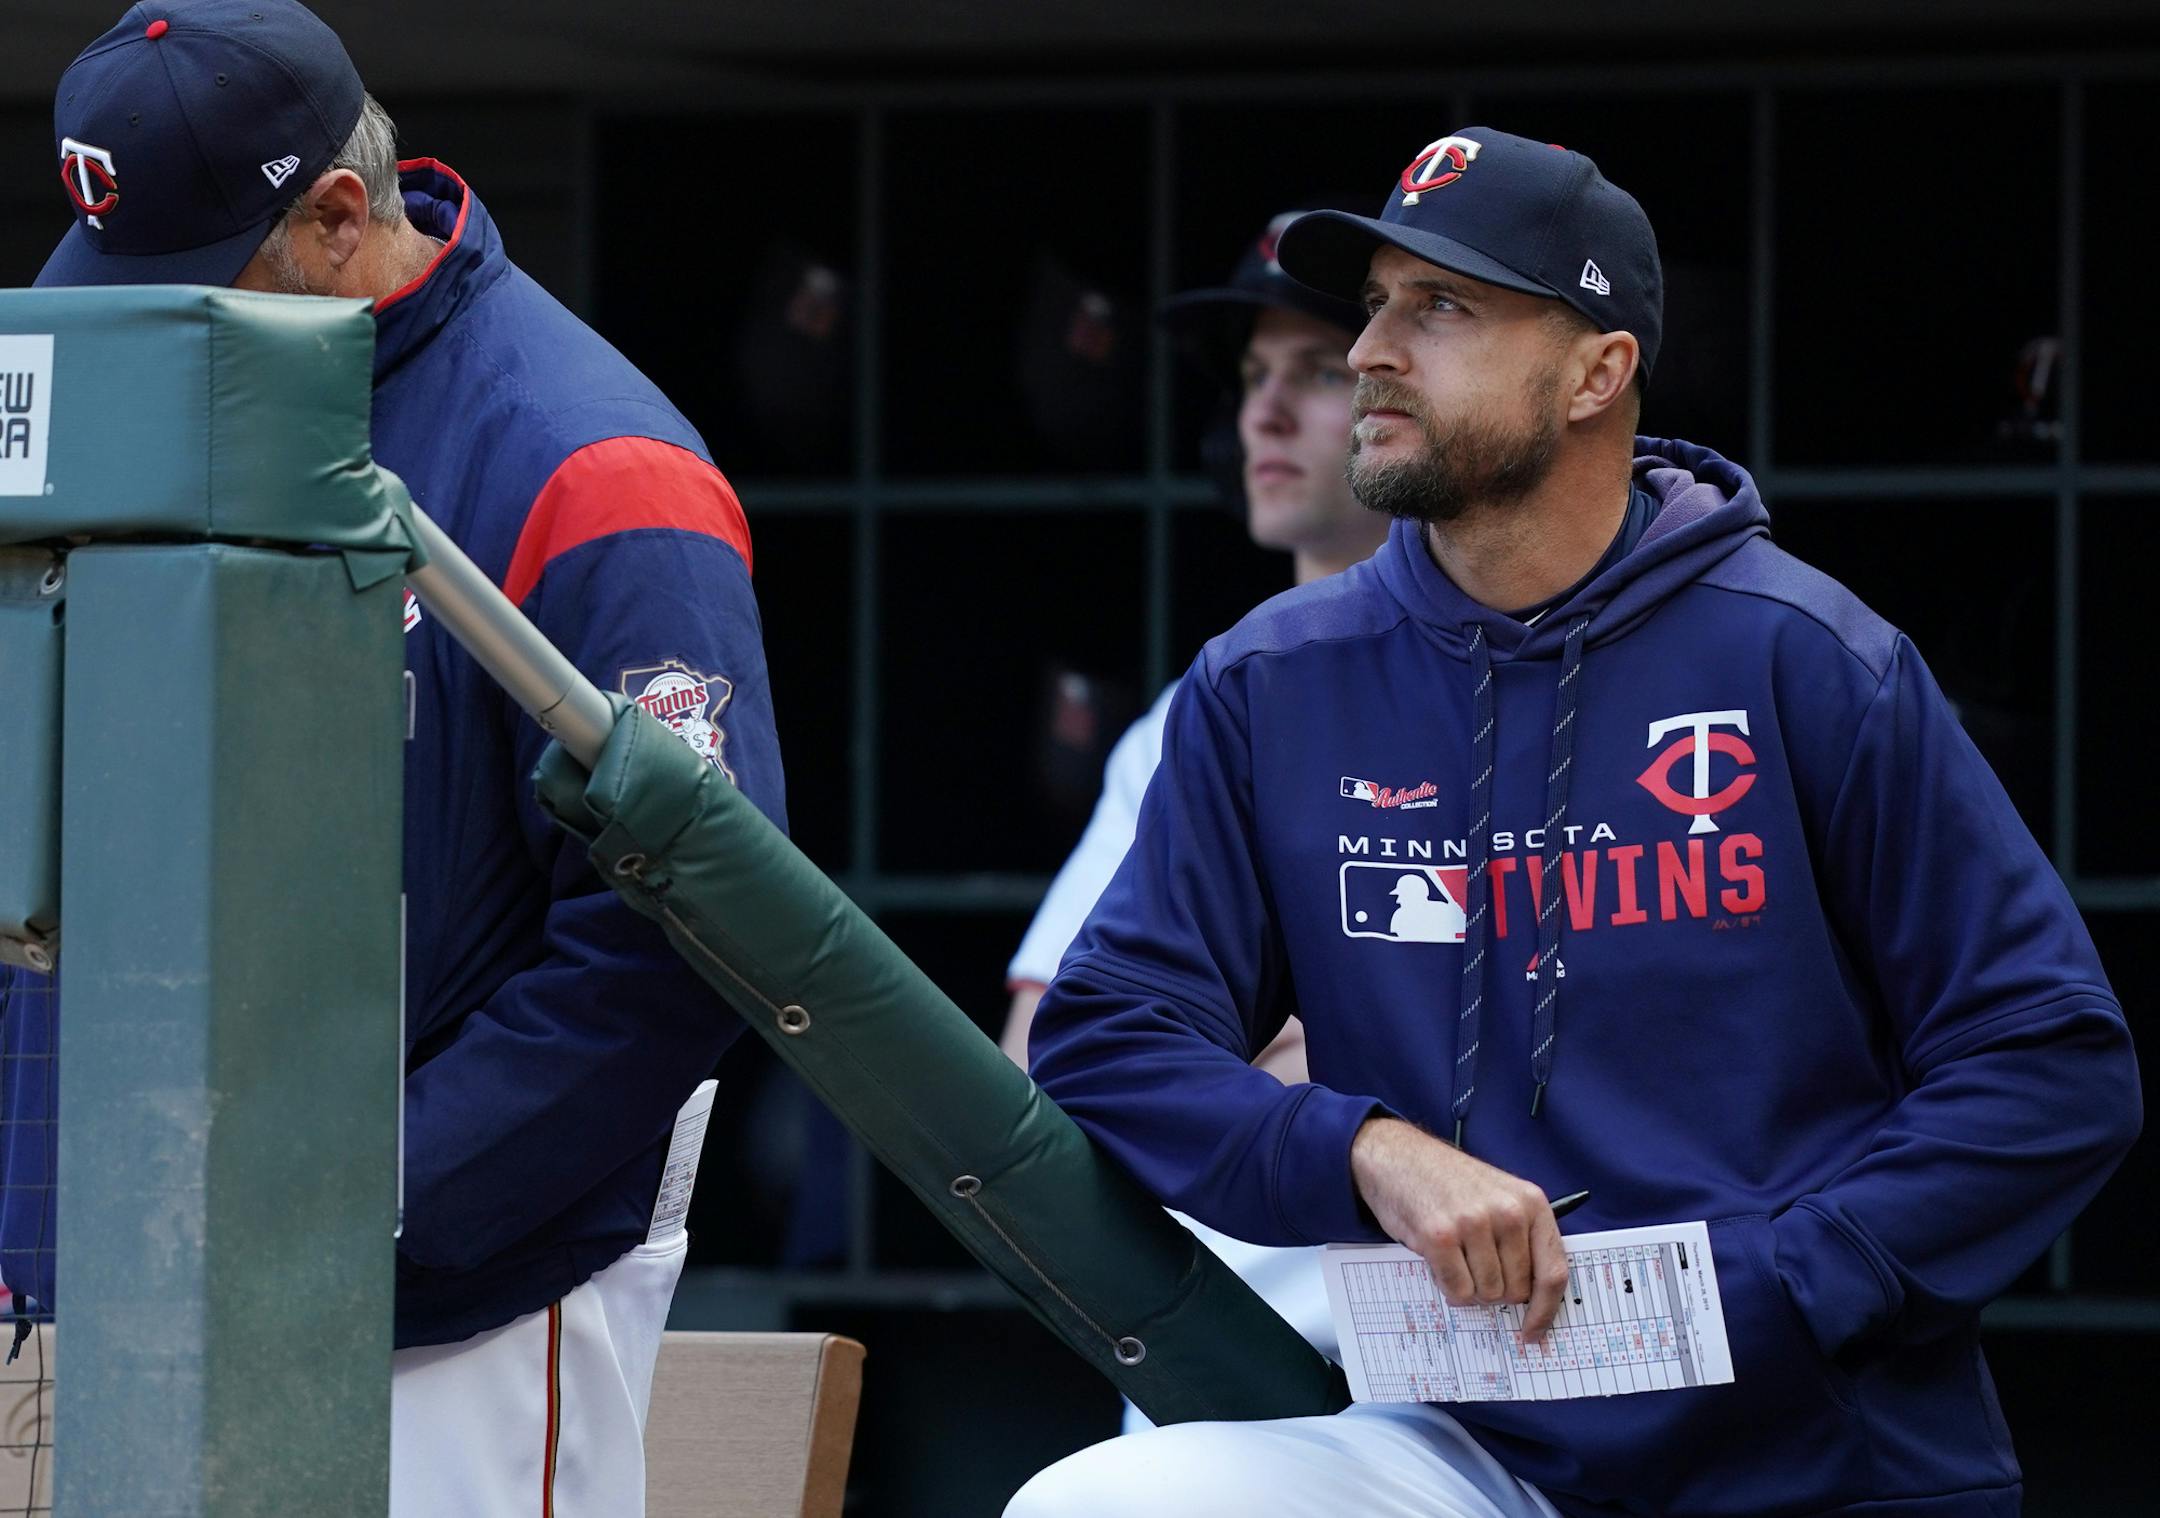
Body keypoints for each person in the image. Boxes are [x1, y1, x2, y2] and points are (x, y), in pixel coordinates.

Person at [1007, 126, 2141, 1517]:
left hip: (1815, 1451)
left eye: (1443, 308)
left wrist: (1776, 1285)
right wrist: (1370, 1152)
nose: (1371, 348)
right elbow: (1105, 1037)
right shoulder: (1271, 682)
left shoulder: (1808, 660)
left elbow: (2051, 1060)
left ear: (1598, 370)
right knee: (1103, 1501)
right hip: (1463, 1435)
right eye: (1375, 301)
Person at [18, 5, 787, 1512]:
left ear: (338, 217)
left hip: (472, 1282)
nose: (148, 322)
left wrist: (345, 1191)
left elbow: (681, 943)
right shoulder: (168, 398)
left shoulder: (588, 460)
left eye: (194, 276)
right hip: (155, 1242)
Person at [998, 211, 1388, 1425]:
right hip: (1214, 1374)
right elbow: (1044, 1063)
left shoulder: (1529, 691)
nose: (1263, 415)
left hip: (1465, 1373)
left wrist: (1204, 1058)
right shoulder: (1191, 714)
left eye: (1318, 372)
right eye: (1254, 377)